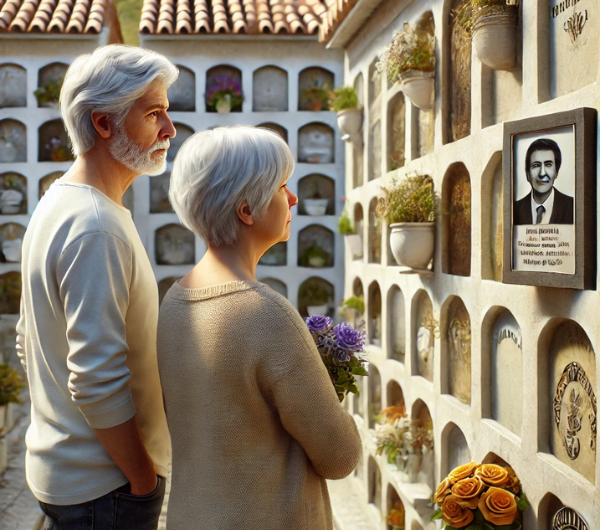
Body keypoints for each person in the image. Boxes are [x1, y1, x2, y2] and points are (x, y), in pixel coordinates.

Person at [158, 126, 362, 530]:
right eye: (282, 186)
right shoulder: (266, 314)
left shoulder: (174, 301)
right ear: (247, 210)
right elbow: (341, 456)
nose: (293, 198)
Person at [16, 45, 178, 529]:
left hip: (75, 475)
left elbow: (30, 341)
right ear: (104, 124)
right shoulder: (95, 226)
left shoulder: (59, 201)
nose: (170, 131)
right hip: (105, 488)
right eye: (154, 115)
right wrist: (143, 480)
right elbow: (94, 378)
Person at [513, 137, 574, 225]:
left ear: (556, 172)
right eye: (536, 165)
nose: (542, 173)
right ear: (527, 174)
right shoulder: (514, 209)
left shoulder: (573, 207)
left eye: (548, 165)